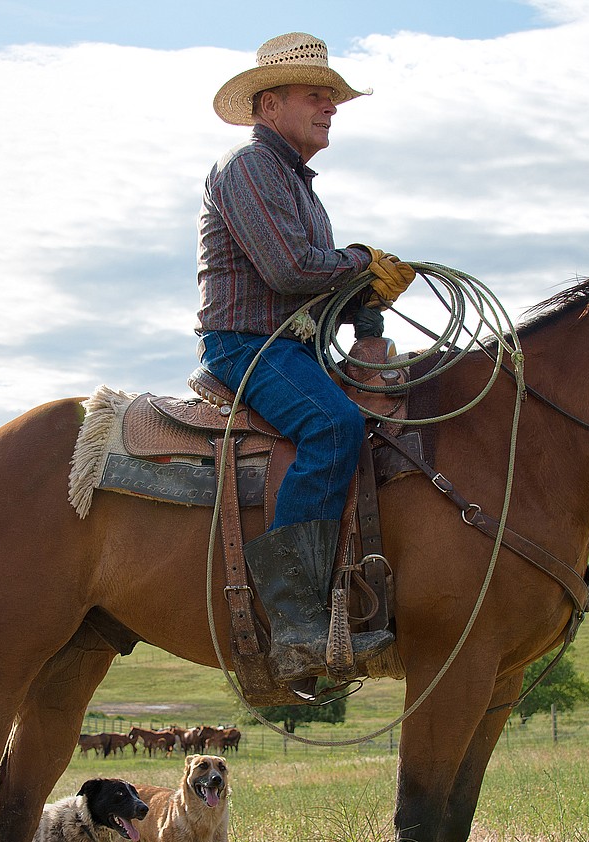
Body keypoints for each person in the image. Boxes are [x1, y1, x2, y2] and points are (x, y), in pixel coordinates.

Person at [196, 33, 415, 689]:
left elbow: (308, 282)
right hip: (246, 344)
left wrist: (362, 294)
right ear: (269, 105)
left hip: (291, 344)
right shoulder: (249, 170)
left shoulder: (295, 184)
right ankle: (294, 623)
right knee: (332, 427)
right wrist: (359, 263)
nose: (330, 106)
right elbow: (290, 269)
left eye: (333, 97)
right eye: (315, 95)